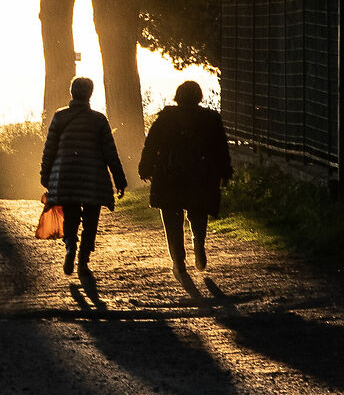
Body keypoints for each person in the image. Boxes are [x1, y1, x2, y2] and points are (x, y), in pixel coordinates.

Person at [138, 79, 233, 281]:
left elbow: (151, 144)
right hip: (201, 174)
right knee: (198, 212)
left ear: (177, 96)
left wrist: (145, 168)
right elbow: (221, 148)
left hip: (169, 174)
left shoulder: (165, 118)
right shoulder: (210, 119)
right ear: (199, 97)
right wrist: (225, 172)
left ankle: (178, 261)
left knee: (172, 220)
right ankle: (198, 242)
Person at [40, 77, 125, 275]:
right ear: (90, 94)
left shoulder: (60, 117)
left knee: (70, 216)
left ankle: (70, 247)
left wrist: (46, 174)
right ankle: (84, 259)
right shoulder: (99, 120)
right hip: (92, 178)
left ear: (72, 92)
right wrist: (119, 179)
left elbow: (49, 149)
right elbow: (110, 153)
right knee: (91, 219)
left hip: (66, 176)